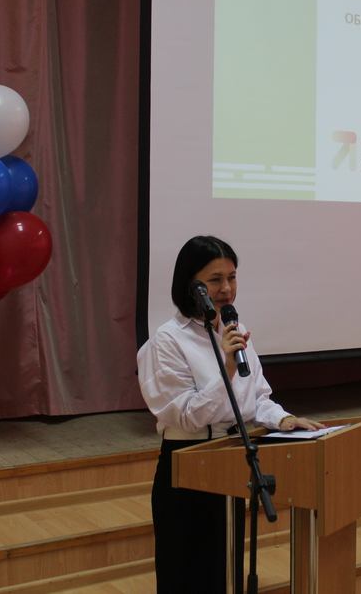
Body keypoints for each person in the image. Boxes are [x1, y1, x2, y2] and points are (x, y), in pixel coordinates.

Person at [137, 235, 324, 594]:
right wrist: (226, 366)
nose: (226, 289)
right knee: (187, 577)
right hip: (187, 466)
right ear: (190, 285)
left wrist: (283, 419)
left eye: (232, 277)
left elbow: (255, 396)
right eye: (215, 280)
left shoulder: (233, 330)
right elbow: (186, 415)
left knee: (226, 574)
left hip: (230, 463)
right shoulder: (167, 340)